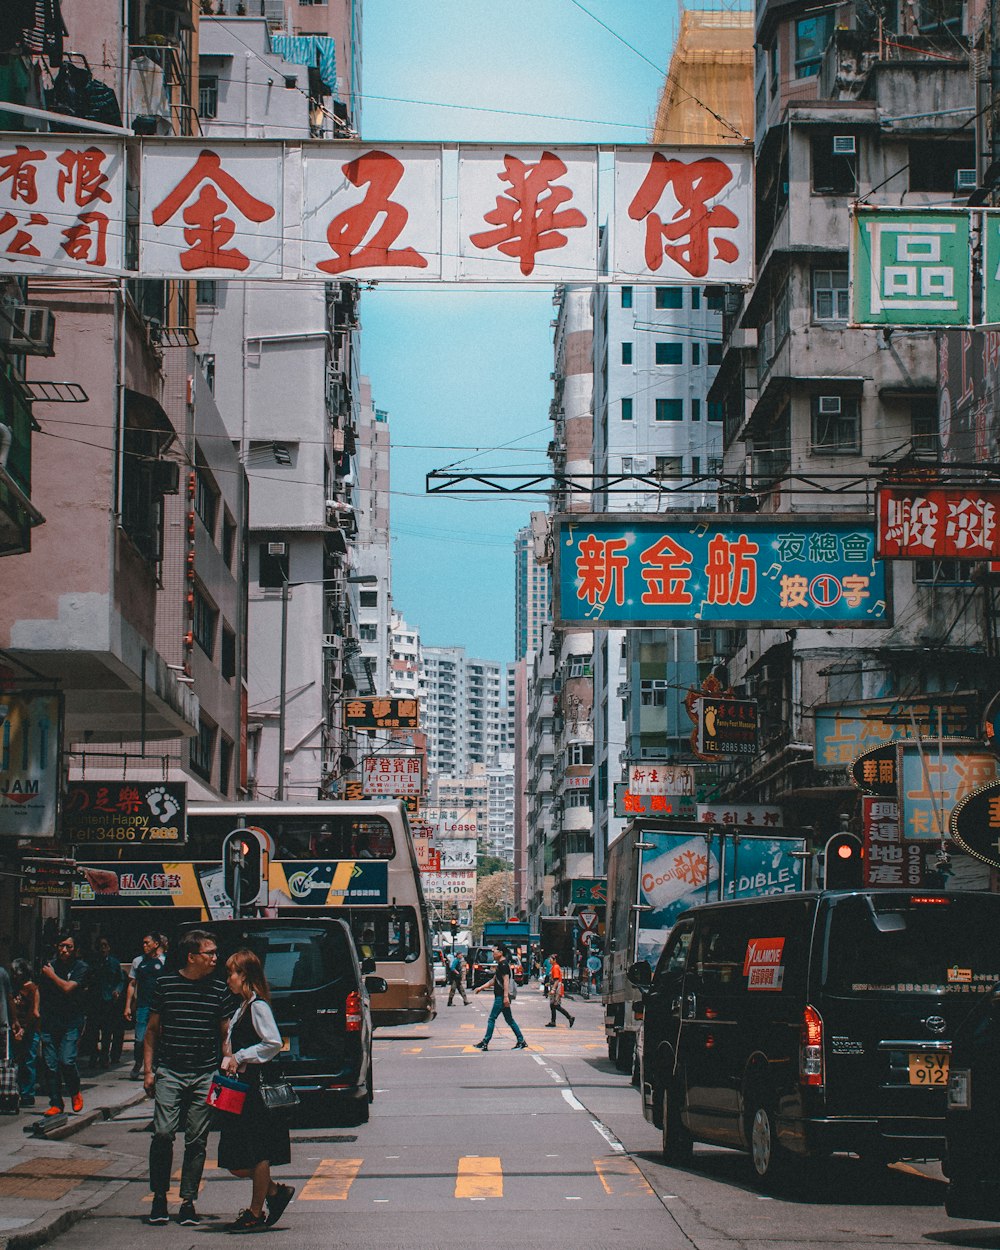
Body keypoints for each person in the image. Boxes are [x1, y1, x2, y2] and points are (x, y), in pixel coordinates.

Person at [144, 929, 233, 1227]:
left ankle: (188, 1201)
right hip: (170, 1070)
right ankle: (159, 1197)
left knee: (197, 1139)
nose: (214, 958)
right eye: (209, 953)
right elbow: (153, 1030)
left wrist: (227, 1061)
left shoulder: (219, 989)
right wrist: (148, 1070)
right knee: (163, 1133)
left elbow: (224, 1034)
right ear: (192, 956)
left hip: (205, 1073)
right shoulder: (166, 985)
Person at [218, 949, 295, 1233]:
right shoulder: (242, 1006)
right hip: (242, 1086)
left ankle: (255, 1211)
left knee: (257, 1151)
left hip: (255, 1089)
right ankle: (274, 1192)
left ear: (245, 976)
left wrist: (242, 1056)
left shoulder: (258, 1006)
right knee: (236, 1159)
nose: (228, 979)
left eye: (232, 973)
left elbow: (272, 1043)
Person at [38, 933, 89, 1116]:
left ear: (75, 949)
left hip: (71, 1021)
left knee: (66, 1060)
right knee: (50, 1064)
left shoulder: (80, 967)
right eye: (61, 946)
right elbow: (39, 990)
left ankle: (75, 1091)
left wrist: (51, 975)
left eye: (69, 947)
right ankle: (56, 1103)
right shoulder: (49, 965)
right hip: (50, 1021)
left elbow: (68, 988)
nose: (64, 950)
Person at [125, 932, 166, 1079]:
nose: (144, 945)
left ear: (156, 944)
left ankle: (154, 1066)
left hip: (160, 1007)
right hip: (143, 1006)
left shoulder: (164, 961)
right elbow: (131, 984)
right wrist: (128, 1006)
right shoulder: (138, 962)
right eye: (143, 943)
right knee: (140, 1039)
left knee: (159, 1038)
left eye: (147, 943)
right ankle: (138, 1062)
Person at [473, 944, 527, 1051]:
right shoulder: (501, 964)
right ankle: (521, 1041)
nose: (493, 953)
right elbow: (494, 980)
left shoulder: (503, 965)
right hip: (501, 995)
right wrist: (481, 988)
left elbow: (506, 980)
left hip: (501, 996)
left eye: (495, 951)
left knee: (492, 1018)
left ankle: (485, 1042)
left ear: (500, 953)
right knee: (509, 1020)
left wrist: (505, 997)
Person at [90, 937, 125, 1068]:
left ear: (109, 948)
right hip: (95, 1001)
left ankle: (105, 1056)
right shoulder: (93, 962)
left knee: (107, 1031)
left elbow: (120, 980)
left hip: (108, 1002)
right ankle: (94, 1055)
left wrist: (117, 990)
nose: (103, 949)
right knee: (93, 1031)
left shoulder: (114, 963)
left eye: (105, 946)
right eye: (100, 946)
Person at [11, 959, 40, 1107]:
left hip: (29, 1029)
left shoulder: (32, 988)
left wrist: (24, 1029)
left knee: (28, 1061)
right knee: (17, 1061)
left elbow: (34, 1012)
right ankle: (15, 1091)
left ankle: (28, 1094)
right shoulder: (15, 988)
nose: (14, 976)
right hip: (16, 1028)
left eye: (16, 972)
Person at [545, 954, 575, 1029]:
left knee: (556, 1005)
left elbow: (557, 980)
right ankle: (553, 1021)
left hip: (556, 988)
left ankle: (570, 1017)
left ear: (554, 960)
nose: (549, 960)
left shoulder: (555, 967)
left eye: (551, 959)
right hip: (555, 987)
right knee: (552, 1005)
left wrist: (553, 989)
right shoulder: (554, 967)